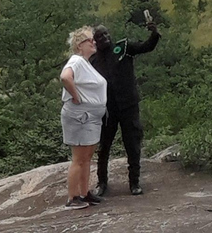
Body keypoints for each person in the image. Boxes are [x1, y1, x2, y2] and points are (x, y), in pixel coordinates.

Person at [90, 21, 160, 196]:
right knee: (104, 146)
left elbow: (147, 47)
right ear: (95, 41)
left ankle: (134, 182)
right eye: (100, 36)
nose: (104, 38)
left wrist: (154, 34)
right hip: (107, 110)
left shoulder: (124, 48)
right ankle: (102, 183)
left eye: (106, 34)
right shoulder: (93, 61)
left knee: (132, 144)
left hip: (128, 105)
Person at [60, 26, 108, 210]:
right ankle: (72, 197)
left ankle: (84, 192)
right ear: (80, 45)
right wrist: (76, 96)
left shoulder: (85, 62)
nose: (94, 42)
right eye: (90, 40)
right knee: (79, 158)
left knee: (87, 157)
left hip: (90, 116)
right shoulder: (76, 61)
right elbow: (65, 77)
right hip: (81, 115)